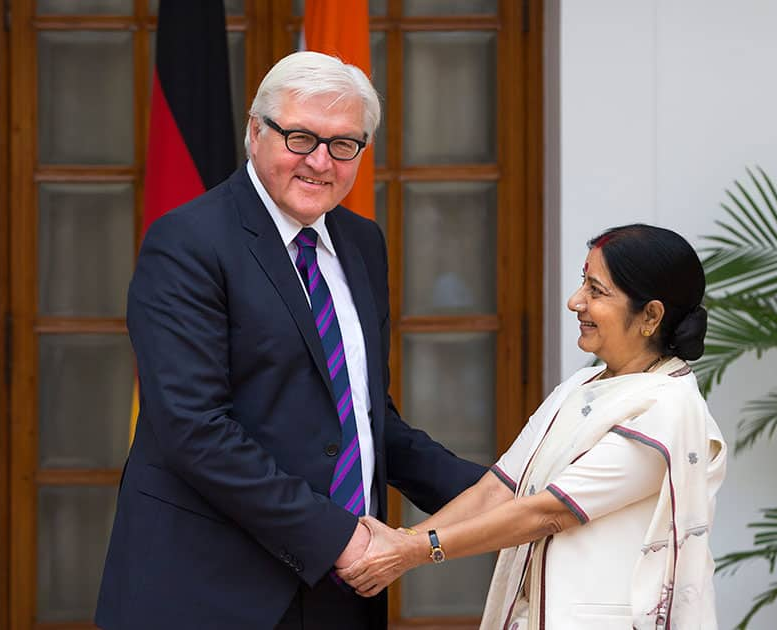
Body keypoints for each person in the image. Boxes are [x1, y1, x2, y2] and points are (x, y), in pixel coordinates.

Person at [94, 51, 485, 630]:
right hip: (207, 591)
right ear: (256, 132)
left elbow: (366, 418)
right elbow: (194, 429)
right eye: (300, 138)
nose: (321, 162)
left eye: (344, 144)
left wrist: (503, 493)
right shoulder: (187, 242)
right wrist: (338, 538)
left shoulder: (361, 242)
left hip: (340, 593)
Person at [338, 224, 728, 630]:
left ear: (650, 314)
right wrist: (400, 542)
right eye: (583, 283)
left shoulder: (668, 408)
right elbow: (499, 489)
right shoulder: (580, 386)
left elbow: (548, 513)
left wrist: (416, 550)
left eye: (596, 290)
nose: (576, 301)